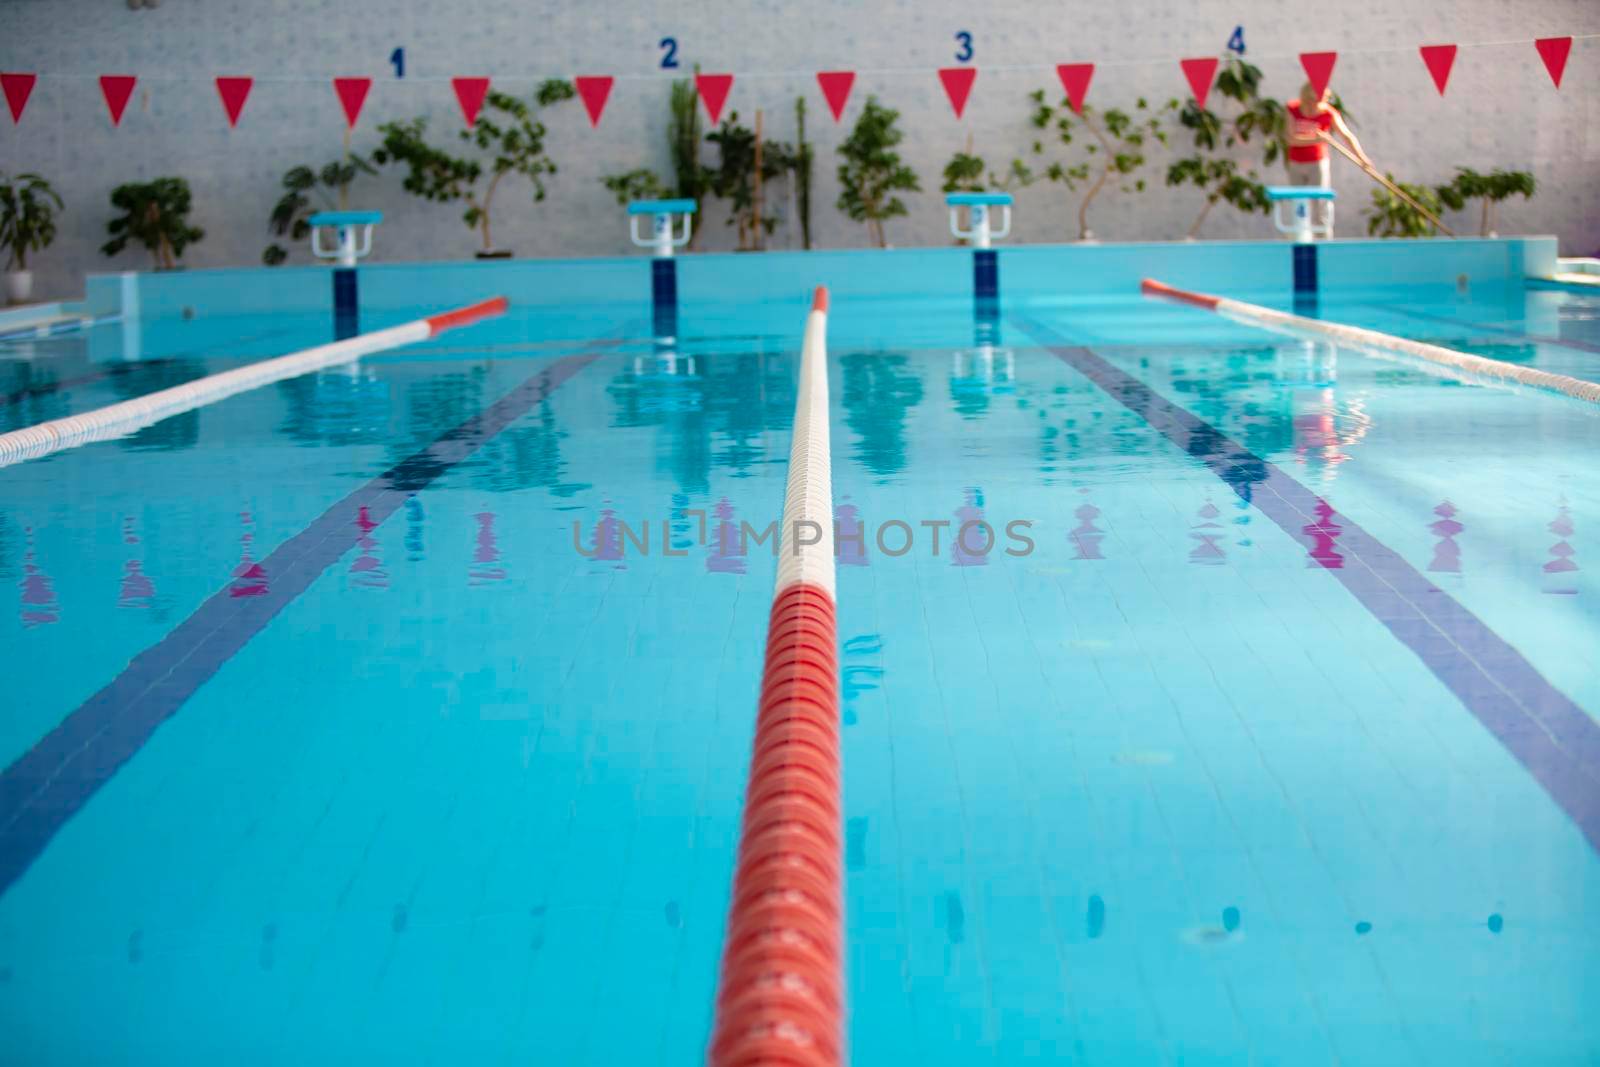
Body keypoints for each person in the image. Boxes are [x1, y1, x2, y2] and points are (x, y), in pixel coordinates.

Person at [1285, 83, 1372, 237]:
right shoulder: (1293, 109)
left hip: (1317, 162)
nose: (1313, 106)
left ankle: (1324, 238)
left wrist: (1362, 158)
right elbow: (1291, 139)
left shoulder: (1329, 113)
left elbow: (1347, 136)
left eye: (1317, 102)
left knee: (1320, 201)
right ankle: (1300, 237)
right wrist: (1317, 138)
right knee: (1299, 202)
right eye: (1310, 102)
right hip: (1296, 162)